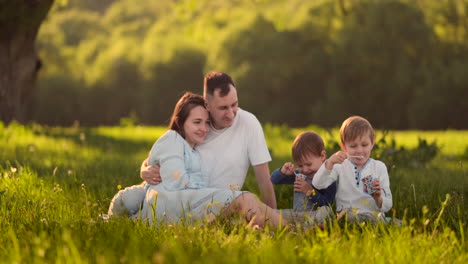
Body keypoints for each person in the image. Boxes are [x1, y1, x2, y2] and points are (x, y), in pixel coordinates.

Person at [109, 91, 285, 228]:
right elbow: (176, 181)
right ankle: (297, 229)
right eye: (197, 122)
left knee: (247, 205)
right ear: (181, 122)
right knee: (245, 200)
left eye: (207, 122)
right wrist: (208, 191)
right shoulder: (173, 139)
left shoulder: (192, 147)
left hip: (179, 203)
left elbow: (158, 162)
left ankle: (289, 225)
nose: (204, 128)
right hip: (168, 203)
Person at [141, 71, 277, 208]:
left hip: (225, 204)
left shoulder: (248, 123)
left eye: (234, 104)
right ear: (207, 104)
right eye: (223, 108)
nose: (230, 114)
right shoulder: (196, 125)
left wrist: (272, 215)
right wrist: (145, 169)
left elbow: (264, 180)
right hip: (190, 203)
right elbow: (167, 152)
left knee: (258, 208)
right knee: (248, 202)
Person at [312, 116, 393, 223]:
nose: (359, 150)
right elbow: (318, 184)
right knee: (326, 212)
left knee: (385, 221)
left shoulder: (379, 167)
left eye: (364, 145)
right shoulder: (339, 165)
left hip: (372, 216)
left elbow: (387, 205)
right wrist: (329, 163)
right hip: (347, 216)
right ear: (344, 147)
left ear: (372, 143)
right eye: (353, 146)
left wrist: (378, 198)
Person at [270, 131, 336, 223]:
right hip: (296, 215)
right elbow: (273, 180)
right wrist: (282, 172)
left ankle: (306, 227)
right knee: (269, 213)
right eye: (300, 165)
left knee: (326, 211)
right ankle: (298, 227)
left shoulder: (329, 176)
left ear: (322, 156)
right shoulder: (299, 175)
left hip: (314, 215)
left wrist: (310, 191)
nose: (305, 169)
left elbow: (328, 203)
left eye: (308, 164)